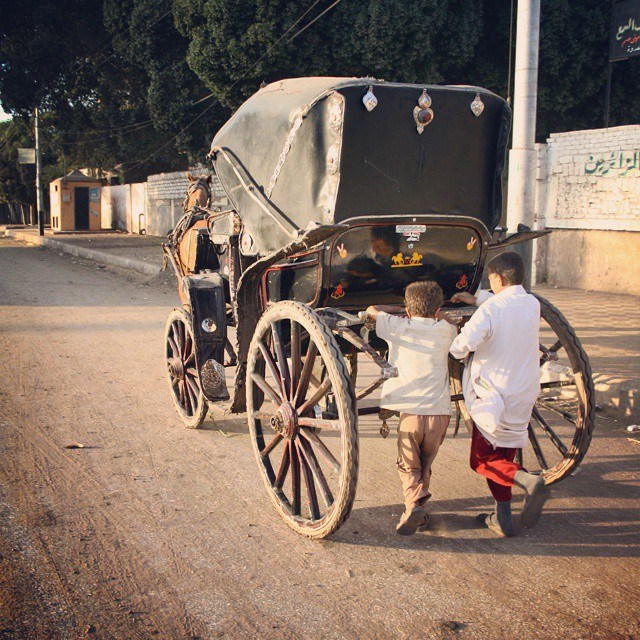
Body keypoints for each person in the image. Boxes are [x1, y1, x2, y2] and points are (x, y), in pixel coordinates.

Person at [449, 251, 549, 537]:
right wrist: (478, 298)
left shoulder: (491, 310)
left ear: (497, 278)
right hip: (524, 391)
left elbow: (462, 346)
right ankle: (503, 518)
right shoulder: (532, 303)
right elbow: (507, 304)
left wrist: (453, 349)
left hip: (493, 395)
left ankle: (527, 481)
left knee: (481, 460)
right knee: (502, 455)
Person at [366, 281, 457, 536]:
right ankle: (420, 513)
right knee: (424, 465)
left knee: (408, 466)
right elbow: (451, 321)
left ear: (408, 310)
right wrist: (440, 314)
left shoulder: (398, 326)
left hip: (411, 414)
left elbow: (372, 309)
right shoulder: (447, 331)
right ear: (438, 310)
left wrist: (397, 309)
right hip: (440, 415)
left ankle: (413, 506)